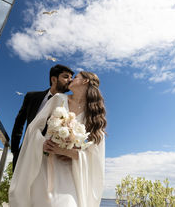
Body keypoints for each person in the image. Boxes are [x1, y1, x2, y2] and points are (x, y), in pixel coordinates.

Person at [9, 71, 107, 207]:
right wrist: (42, 143)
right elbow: (34, 128)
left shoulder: (94, 114)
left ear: (85, 81)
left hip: (69, 170)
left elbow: (94, 156)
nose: (71, 79)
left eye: (76, 77)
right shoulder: (59, 99)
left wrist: (67, 151)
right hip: (44, 163)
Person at [11, 64, 74, 171]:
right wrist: (15, 150)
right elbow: (19, 122)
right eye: (66, 77)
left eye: (71, 77)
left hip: (51, 158)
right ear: (54, 79)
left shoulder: (70, 103)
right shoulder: (31, 97)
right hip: (27, 151)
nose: (70, 80)